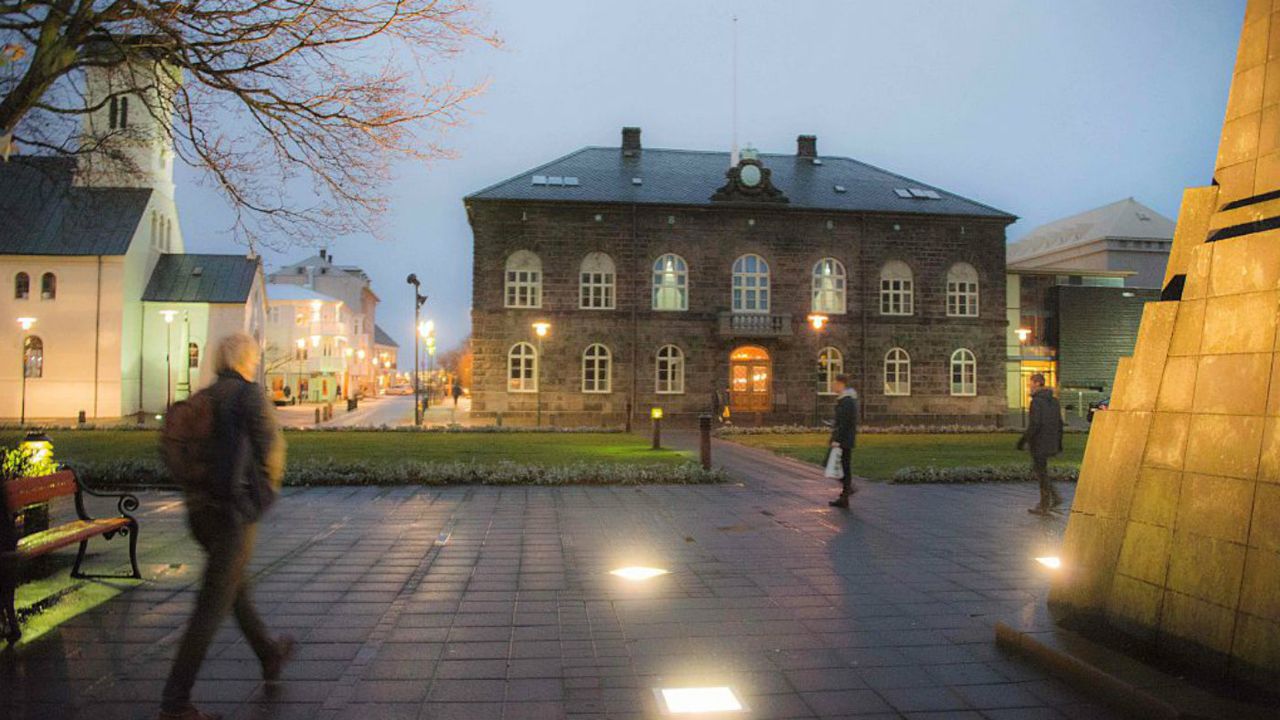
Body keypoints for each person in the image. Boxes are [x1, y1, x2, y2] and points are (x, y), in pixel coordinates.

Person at [160, 334, 293, 720]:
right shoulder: (247, 395)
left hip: (200, 514)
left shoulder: (206, 396)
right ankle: (174, 703)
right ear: (247, 359)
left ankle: (268, 654)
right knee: (211, 606)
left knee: (234, 588)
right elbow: (272, 447)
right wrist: (259, 500)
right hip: (232, 515)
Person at [1018, 372, 1065, 515]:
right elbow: (1059, 423)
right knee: (1042, 471)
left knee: (1041, 472)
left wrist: (1023, 441)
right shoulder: (1054, 401)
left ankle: (1049, 502)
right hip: (1051, 441)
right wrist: (1059, 442)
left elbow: (1035, 424)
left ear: (1037, 383)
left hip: (1039, 442)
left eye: (1031, 383)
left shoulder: (1036, 402)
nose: (1029, 387)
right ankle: (1049, 501)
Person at [828, 374, 859, 508]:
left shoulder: (847, 401)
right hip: (843, 438)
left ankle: (847, 490)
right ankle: (846, 493)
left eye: (833, 383)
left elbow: (845, 423)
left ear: (841, 384)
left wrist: (837, 440)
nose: (832, 386)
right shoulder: (844, 400)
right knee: (839, 466)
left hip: (844, 440)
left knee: (841, 466)